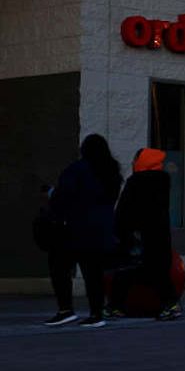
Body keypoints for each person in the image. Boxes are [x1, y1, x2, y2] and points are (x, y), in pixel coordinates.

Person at [44, 134, 123, 327]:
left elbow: (64, 197)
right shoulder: (112, 172)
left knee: (60, 267)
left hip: (76, 228)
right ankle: (96, 313)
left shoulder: (77, 170)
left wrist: (51, 194)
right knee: (93, 274)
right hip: (101, 230)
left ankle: (65, 310)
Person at [106, 148, 180, 321]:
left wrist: (120, 231)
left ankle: (115, 306)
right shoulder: (163, 181)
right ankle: (170, 304)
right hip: (158, 236)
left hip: (137, 236)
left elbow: (124, 212)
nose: (132, 163)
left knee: (126, 271)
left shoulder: (136, 182)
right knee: (158, 272)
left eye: (135, 159)